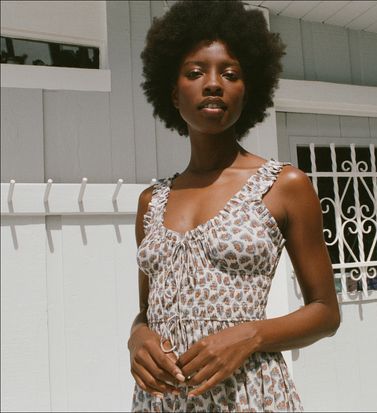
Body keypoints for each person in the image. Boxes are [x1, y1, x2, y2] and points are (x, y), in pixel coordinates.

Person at [128, 1, 340, 411]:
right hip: (161, 402)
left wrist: (251, 335)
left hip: (249, 396)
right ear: (173, 92)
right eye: (195, 73)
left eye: (230, 74)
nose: (213, 84)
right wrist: (137, 337)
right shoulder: (151, 201)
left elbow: (326, 312)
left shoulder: (284, 186)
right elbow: (146, 311)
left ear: (249, 91)